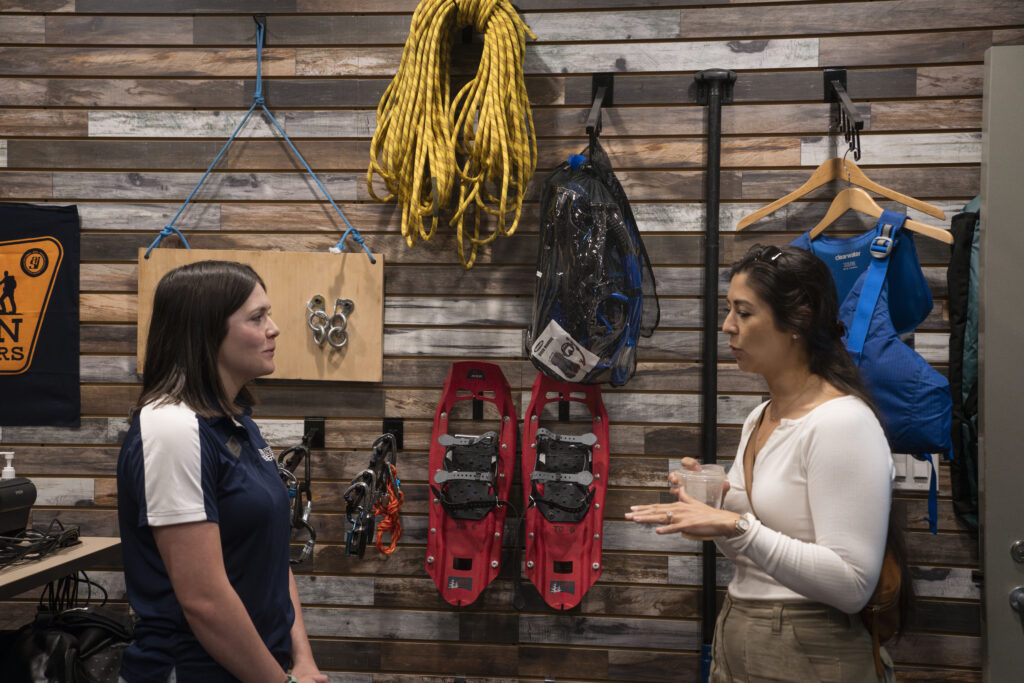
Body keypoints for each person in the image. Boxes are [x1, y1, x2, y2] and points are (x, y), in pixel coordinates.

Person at [626, 244, 898, 682]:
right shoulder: (761, 416)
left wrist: (735, 525)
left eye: (744, 313)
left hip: (808, 646)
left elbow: (851, 585)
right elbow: (752, 551)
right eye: (729, 310)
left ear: (798, 322)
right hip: (742, 629)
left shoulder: (842, 423)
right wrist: (714, 504)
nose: (727, 326)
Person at [116, 260, 328, 683]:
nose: (274, 328)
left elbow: (269, 555)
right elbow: (203, 600)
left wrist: (302, 661)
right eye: (257, 317)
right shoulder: (172, 429)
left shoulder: (236, 422)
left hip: (262, 668)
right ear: (207, 332)